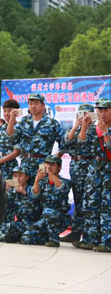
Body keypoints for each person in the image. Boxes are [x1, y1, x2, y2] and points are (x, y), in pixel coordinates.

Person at [75, 98, 111, 252]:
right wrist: (84, 127)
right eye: (100, 110)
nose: (102, 113)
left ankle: (107, 241)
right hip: (94, 169)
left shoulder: (105, 128)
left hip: (108, 169)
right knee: (90, 204)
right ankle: (90, 239)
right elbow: (81, 144)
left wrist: (105, 133)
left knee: (107, 206)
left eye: (106, 110)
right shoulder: (93, 128)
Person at [7, 93, 65, 183]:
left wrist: (53, 160)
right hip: (25, 164)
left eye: (36, 103)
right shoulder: (24, 121)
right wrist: (12, 118)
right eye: (30, 104)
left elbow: (64, 143)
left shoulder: (52, 123)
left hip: (42, 164)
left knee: (41, 189)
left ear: (43, 105)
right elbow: (11, 136)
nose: (33, 106)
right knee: (24, 190)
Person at [62, 104, 95, 244]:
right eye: (81, 113)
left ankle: (88, 235)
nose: (84, 117)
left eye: (87, 114)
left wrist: (85, 127)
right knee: (77, 199)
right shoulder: (73, 129)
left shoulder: (96, 130)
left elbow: (85, 144)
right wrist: (76, 125)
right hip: (76, 165)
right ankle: (75, 233)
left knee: (88, 201)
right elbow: (66, 141)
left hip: (89, 166)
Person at [20, 155, 70, 247]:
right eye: (47, 164)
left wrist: (49, 173)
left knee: (48, 211)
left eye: (52, 165)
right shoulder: (43, 182)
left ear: (59, 167)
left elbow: (60, 187)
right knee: (26, 238)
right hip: (44, 218)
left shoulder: (65, 182)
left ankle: (54, 240)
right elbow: (34, 195)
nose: (49, 167)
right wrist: (37, 180)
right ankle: (45, 237)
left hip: (59, 219)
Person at [0, 165, 41, 243]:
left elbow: (34, 212)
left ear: (27, 177)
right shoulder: (12, 191)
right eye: (15, 176)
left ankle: (7, 236)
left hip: (30, 224)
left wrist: (24, 193)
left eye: (20, 176)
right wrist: (5, 192)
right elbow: (3, 208)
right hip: (15, 224)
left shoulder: (32, 190)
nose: (17, 179)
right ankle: (3, 237)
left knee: (26, 239)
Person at [0, 99, 22, 180]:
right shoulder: (0, 128)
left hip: (10, 167)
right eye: (5, 111)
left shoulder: (19, 128)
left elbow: (17, 152)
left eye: (9, 111)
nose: (6, 114)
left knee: (10, 187)